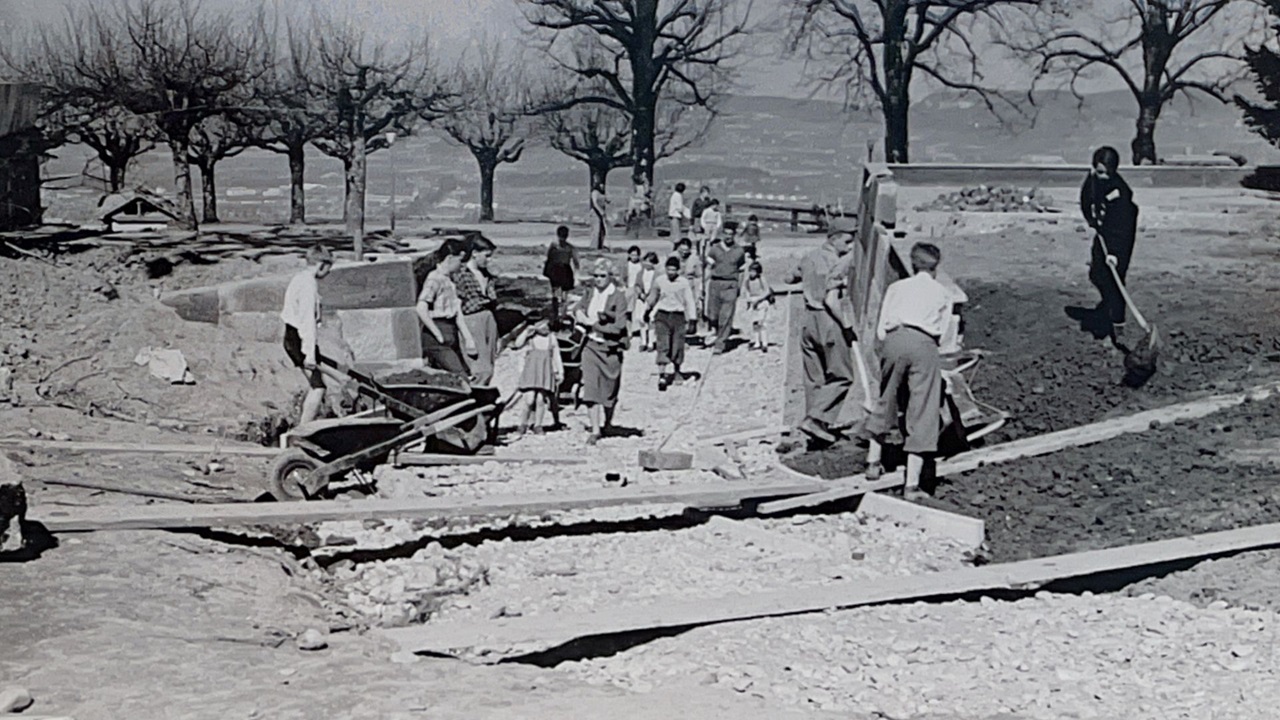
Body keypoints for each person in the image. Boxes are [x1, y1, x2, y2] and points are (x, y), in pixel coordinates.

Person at [864, 243, 951, 501]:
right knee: (923, 407)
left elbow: (880, 330)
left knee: (886, 397)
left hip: (894, 340)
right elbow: (943, 336)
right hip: (924, 343)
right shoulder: (942, 293)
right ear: (936, 267)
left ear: (913, 264)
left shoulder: (896, 288)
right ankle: (911, 485)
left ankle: (872, 462)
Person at [787, 218, 858, 444]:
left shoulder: (809, 256)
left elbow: (790, 277)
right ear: (834, 238)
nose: (849, 246)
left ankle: (816, 432)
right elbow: (831, 301)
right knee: (843, 376)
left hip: (807, 320)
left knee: (814, 378)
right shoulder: (837, 263)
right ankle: (815, 419)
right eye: (847, 241)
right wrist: (846, 325)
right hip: (827, 319)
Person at [1080, 145, 1139, 339]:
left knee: (1115, 280)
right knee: (1097, 273)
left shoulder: (1120, 193)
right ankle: (1107, 305)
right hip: (1103, 231)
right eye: (1099, 172)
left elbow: (1122, 228)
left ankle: (1117, 324)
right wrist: (1092, 220)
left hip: (1121, 237)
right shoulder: (1094, 179)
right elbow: (1085, 199)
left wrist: (1114, 253)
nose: (1101, 176)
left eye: (1106, 173)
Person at [574, 258, 630, 444]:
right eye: (595, 276)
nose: (598, 279)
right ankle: (595, 430)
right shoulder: (589, 292)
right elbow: (579, 307)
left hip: (610, 348)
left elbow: (620, 326)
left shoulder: (618, 296)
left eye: (602, 276)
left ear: (610, 277)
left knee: (609, 389)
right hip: (590, 346)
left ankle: (607, 422)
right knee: (590, 388)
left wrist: (595, 324)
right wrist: (578, 313)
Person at [281, 244, 334, 425]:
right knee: (318, 388)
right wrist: (310, 354)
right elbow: (307, 322)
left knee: (317, 386)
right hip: (299, 337)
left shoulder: (299, 278)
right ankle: (302, 431)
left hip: (292, 334)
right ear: (321, 265)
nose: (328, 273)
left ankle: (304, 427)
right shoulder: (308, 286)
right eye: (329, 268)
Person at [417, 238, 476, 375]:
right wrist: (437, 334)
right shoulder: (434, 278)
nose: (462, 266)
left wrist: (468, 339)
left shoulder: (450, 280)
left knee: (465, 373)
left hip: (451, 330)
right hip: (436, 332)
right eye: (460, 261)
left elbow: (457, 313)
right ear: (450, 258)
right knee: (458, 374)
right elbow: (421, 308)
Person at [645, 255, 698, 391]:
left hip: (678, 316)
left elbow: (689, 300)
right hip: (662, 315)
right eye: (669, 270)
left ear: (678, 270)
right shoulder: (660, 281)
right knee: (663, 344)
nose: (671, 273)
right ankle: (662, 375)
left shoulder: (683, 283)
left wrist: (692, 319)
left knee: (677, 346)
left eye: (674, 270)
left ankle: (677, 370)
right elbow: (653, 297)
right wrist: (646, 311)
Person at [452, 233, 498, 384]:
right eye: (487, 256)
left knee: (491, 365)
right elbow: (457, 307)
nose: (490, 260)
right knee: (481, 370)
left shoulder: (486, 275)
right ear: (475, 253)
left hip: (488, 319)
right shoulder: (461, 274)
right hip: (471, 321)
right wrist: (468, 338)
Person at [513, 321, 564, 436]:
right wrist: (526, 331)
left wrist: (560, 372)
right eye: (540, 325)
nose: (544, 327)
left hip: (545, 372)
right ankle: (523, 424)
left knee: (541, 400)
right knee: (529, 399)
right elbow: (517, 344)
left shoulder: (551, 338)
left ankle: (538, 425)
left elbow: (556, 356)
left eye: (546, 324)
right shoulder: (531, 339)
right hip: (531, 371)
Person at [705, 224, 747, 354]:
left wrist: (739, 287)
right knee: (713, 314)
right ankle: (714, 332)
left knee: (726, 315)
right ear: (722, 234)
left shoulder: (739, 251)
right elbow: (707, 268)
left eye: (731, 234)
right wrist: (703, 286)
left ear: (734, 235)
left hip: (730, 285)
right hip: (715, 283)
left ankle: (720, 343)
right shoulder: (714, 249)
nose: (728, 236)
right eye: (726, 233)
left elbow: (741, 270)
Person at [543, 225, 579, 325]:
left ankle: (559, 315)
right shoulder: (568, 248)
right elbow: (576, 263)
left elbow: (549, 258)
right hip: (561, 270)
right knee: (560, 295)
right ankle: (558, 316)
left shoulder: (556, 246)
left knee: (560, 295)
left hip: (559, 270)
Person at [741, 260, 774, 352]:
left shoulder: (761, 279)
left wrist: (759, 298)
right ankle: (757, 342)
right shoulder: (748, 281)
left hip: (762, 303)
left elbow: (766, 291)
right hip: (753, 304)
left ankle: (764, 343)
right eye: (750, 271)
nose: (751, 273)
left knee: (762, 323)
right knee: (755, 323)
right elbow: (747, 291)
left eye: (753, 271)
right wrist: (748, 301)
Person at [674, 237, 704, 334]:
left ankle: (689, 326)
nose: (684, 252)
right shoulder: (673, 256)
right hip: (676, 285)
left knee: (689, 307)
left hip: (689, 285)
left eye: (686, 250)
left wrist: (699, 291)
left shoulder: (694, 259)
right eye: (682, 250)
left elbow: (698, 276)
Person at [632, 251, 660, 351]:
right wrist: (640, 294)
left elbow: (657, 289)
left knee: (651, 320)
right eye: (646, 261)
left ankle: (650, 343)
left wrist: (650, 300)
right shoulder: (640, 273)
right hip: (641, 299)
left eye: (650, 262)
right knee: (641, 319)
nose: (648, 264)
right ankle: (643, 341)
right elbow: (637, 285)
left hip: (652, 300)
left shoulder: (657, 275)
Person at [590, 183, 609, 248]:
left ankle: (600, 245)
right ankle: (595, 246)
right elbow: (595, 203)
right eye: (601, 185)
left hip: (601, 213)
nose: (603, 186)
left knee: (603, 230)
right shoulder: (595, 192)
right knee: (596, 230)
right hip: (595, 213)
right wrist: (601, 211)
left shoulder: (602, 193)